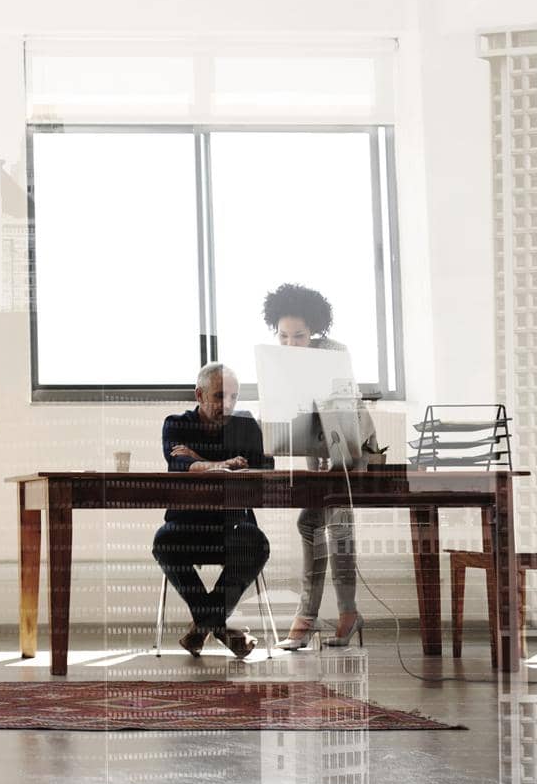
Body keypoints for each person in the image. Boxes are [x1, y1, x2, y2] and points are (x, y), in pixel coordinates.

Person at [262, 283, 374, 649]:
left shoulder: (334, 352)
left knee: (337, 524)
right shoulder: (280, 359)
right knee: (310, 521)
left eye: (300, 335)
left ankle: (338, 614)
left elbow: (345, 405)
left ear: (315, 330)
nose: (291, 343)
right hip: (315, 444)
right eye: (283, 336)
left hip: (349, 442)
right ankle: (319, 616)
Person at [153, 363, 272, 660]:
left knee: (256, 544)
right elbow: (178, 465)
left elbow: (264, 466)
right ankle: (220, 628)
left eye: (234, 397)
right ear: (199, 394)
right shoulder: (176, 424)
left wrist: (200, 460)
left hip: (232, 524)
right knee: (163, 543)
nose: (228, 404)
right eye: (219, 396)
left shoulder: (244, 425)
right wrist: (223, 464)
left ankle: (202, 627)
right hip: (186, 523)